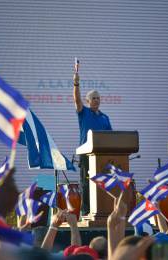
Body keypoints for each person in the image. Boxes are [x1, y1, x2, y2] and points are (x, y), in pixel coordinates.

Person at [73, 69, 112, 215]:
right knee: (86, 183)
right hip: (86, 155)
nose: (96, 100)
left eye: (98, 98)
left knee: (102, 183)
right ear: (88, 101)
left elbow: (111, 138)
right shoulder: (84, 113)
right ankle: (86, 211)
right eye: (93, 98)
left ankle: (103, 210)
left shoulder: (105, 117)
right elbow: (77, 100)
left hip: (102, 157)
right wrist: (76, 83)